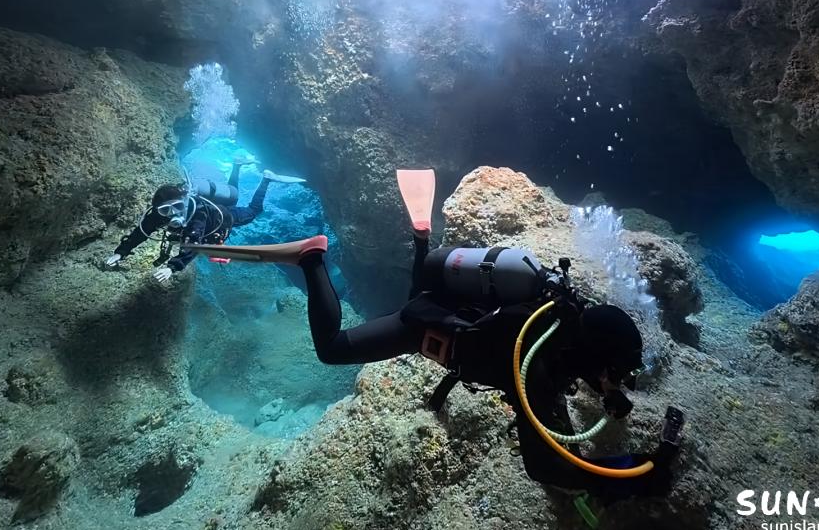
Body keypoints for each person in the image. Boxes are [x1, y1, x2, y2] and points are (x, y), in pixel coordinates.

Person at [184, 169, 684, 501]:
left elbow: (582, 372)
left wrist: (609, 393)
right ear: (594, 357)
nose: (611, 381)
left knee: (414, 297)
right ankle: (314, 262)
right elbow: (552, 470)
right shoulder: (532, 365)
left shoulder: (554, 316)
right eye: (612, 373)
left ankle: (420, 237)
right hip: (421, 324)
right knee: (332, 349)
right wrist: (641, 470)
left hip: (438, 299)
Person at [105, 156, 305, 281]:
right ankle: (236, 165)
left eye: (177, 207)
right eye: (166, 211)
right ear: (158, 210)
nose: (173, 214)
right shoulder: (156, 215)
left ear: (185, 201)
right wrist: (121, 253)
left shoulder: (197, 215)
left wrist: (172, 267)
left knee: (252, 212)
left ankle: (267, 179)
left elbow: (193, 244)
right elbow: (141, 232)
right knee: (232, 197)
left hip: (223, 217)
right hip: (218, 210)